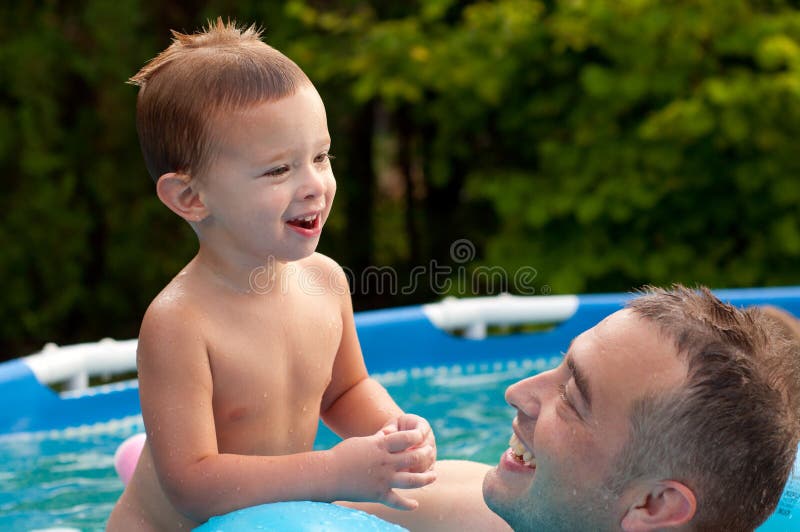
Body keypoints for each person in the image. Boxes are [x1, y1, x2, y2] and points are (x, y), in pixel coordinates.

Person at [107, 19, 436, 531]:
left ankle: (140, 451)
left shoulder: (325, 282)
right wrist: (332, 471)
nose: (314, 186)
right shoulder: (181, 322)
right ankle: (142, 461)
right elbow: (192, 485)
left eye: (321, 157)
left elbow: (344, 391)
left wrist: (394, 432)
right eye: (278, 170)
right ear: (191, 198)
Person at [345, 285, 800, 531]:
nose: (518, 392)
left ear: (654, 505)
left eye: (572, 399)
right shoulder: (466, 513)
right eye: (560, 365)